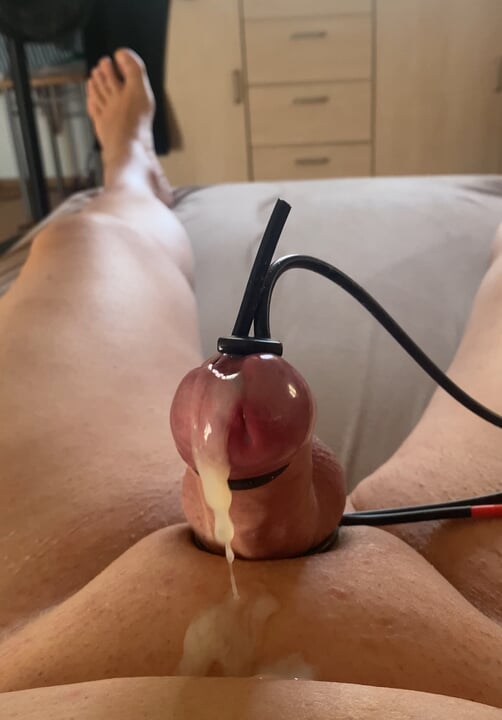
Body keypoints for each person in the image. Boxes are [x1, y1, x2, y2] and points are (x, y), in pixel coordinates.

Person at [0, 50, 500, 719]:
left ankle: (131, 173)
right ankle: (131, 170)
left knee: (89, 244)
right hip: (476, 652)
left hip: (33, 654)